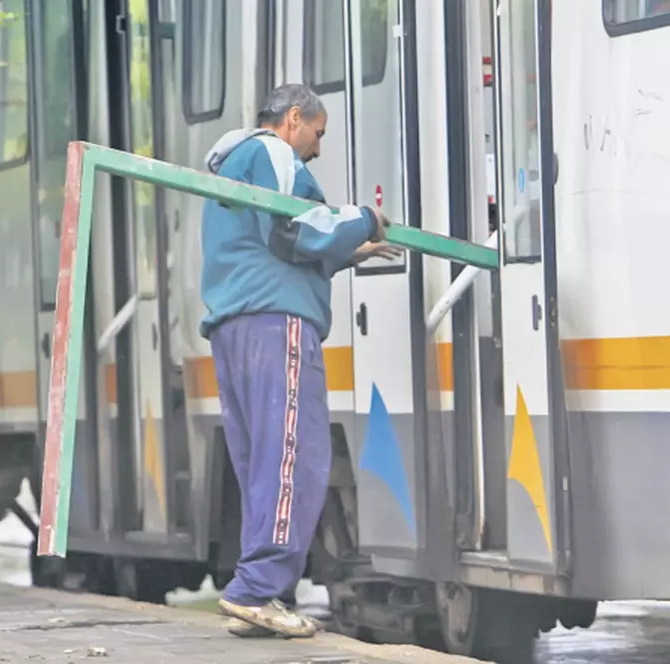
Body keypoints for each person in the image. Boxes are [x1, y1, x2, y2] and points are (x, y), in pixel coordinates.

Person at [199, 83, 399, 638]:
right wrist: (362, 219)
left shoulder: (231, 166)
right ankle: (256, 588)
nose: (317, 147)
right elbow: (293, 228)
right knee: (294, 458)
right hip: (276, 322)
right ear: (294, 118)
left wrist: (345, 255)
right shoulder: (272, 152)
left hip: (236, 324)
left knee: (262, 464)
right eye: (317, 132)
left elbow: (269, 245)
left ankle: (263, 597)